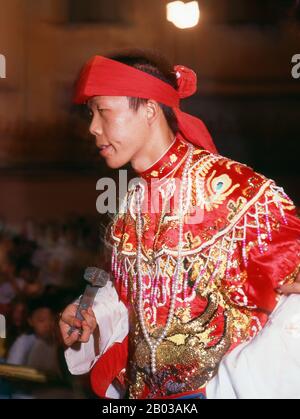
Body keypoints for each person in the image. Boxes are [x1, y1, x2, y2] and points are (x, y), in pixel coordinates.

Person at [59, 51, 300, 399]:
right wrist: (93, 315)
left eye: (103, 112)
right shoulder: (130, 206)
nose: (93, 127)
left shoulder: (233, 189)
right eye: (91, 114)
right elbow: (136, 295)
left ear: (150, 110)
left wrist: (239, 381)